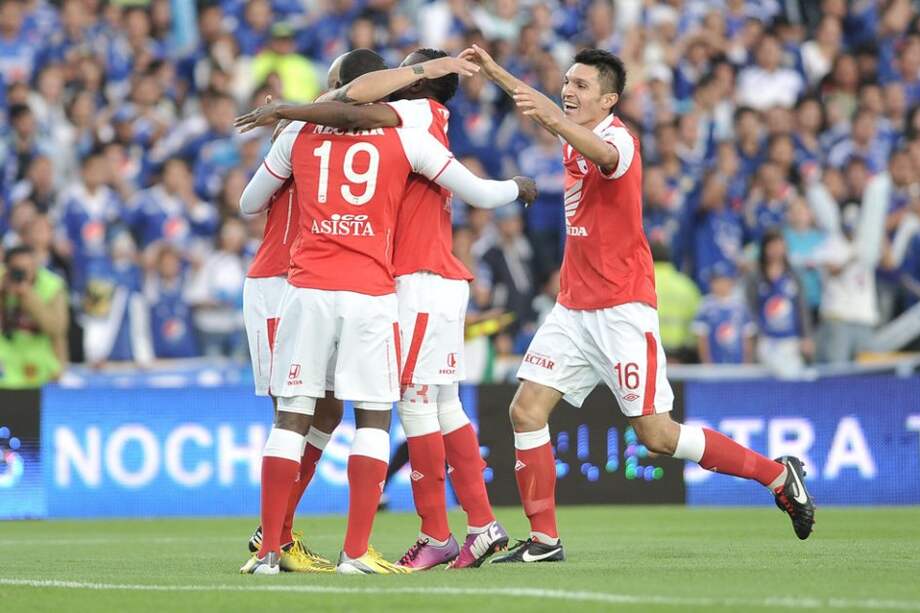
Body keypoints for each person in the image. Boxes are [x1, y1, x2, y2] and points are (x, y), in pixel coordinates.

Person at [461, 44, 815, 564]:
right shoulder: (572, 125)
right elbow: (537, 103)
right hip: (573, 307)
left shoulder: (619, 140)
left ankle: (777, 475)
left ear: (609, 99)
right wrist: (494, 72)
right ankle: (544, 540)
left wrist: (555, 119)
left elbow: (602, 155)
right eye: (566, 81)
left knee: (657, 436)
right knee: (525, 410)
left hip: (622, 308)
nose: (568, 90)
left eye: (581, 85)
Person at [236, 48, 534, 575]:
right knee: (407, 409)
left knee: (328, 413)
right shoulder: (408, 132)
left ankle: (283, 543)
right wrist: (519, 188)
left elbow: (255, 196)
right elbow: (477, 191)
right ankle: (376, 545)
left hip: (347, 283)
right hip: (379, 287)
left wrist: (287, 110)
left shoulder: (353, 125)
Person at [0, 245, 68, 388]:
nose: (24, 273)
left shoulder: (52, 285)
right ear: (7, 268)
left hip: (40, 358)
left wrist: (28, 297)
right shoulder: (2, 282)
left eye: (29, 267)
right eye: (18, 268)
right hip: (6, 358)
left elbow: (56, 329)